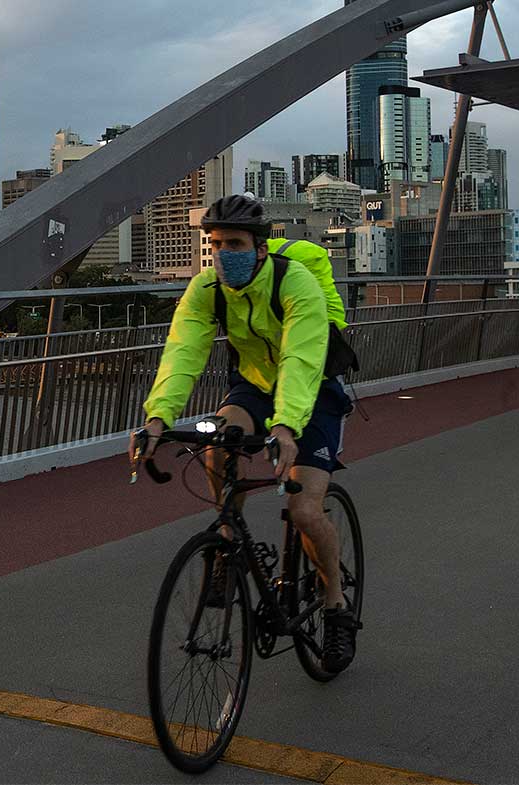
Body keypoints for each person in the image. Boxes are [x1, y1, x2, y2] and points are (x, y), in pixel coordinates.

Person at [128, 194, 360, 673]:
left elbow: (300, 357)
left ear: (259, 248)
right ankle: (229, 538)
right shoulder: (206, 289)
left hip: (312, 391)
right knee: (218, 444)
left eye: (234, 243)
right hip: (254, 384)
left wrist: (286, 426)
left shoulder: (295, 282)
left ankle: (336, 604)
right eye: (215, 244)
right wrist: (157, 419)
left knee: (304, 509)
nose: (223, 253)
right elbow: (182, 353)